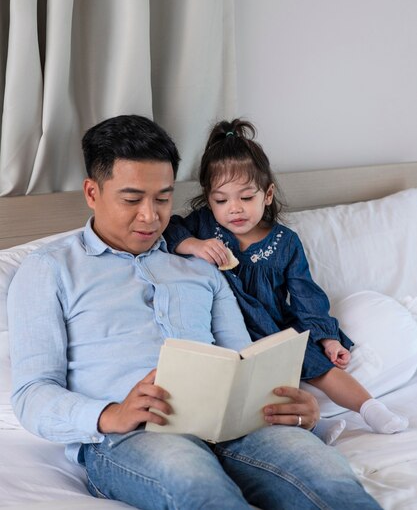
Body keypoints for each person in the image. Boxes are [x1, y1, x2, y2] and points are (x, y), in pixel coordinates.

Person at [7, 114, 382, 510]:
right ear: (92, 192)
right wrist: (110, 414)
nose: (151, 216)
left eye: (163, 198)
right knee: (200, 490)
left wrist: (302, 412)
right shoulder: (48, 269)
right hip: (132, 435)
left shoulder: (201, 265)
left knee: (332, 482)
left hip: (234, 426)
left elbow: (242, 360)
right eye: (132, 199)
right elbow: (32, 393)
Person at [165, 117, 409, 444]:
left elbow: (306, 294)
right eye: (221, 200)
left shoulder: (285, 242)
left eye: (246, 198)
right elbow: (168, 228)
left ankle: (371, 410)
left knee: (319, 367)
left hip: (274, 325)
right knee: (248, 387)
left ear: (267, 195)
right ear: (209, 200)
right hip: (225, 330)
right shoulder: (205, 227)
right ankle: (315, 428)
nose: (234, 209)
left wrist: (327, 338)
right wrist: (193, 245)